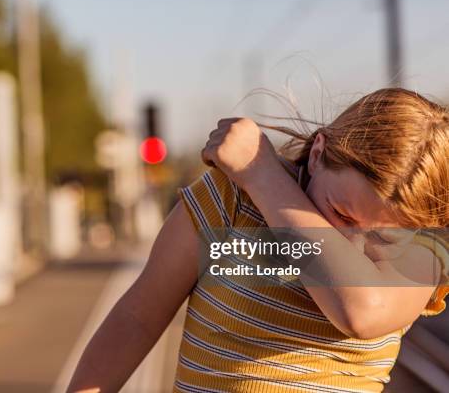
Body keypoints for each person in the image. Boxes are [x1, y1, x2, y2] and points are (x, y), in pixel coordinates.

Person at [67, 88, 448, 392]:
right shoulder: (231, 201)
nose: (352, 242)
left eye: (382, 236)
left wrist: (262, 173)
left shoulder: (424, 248)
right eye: (342, 214)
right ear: (317, 154)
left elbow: (361, 311)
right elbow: (137, 317)